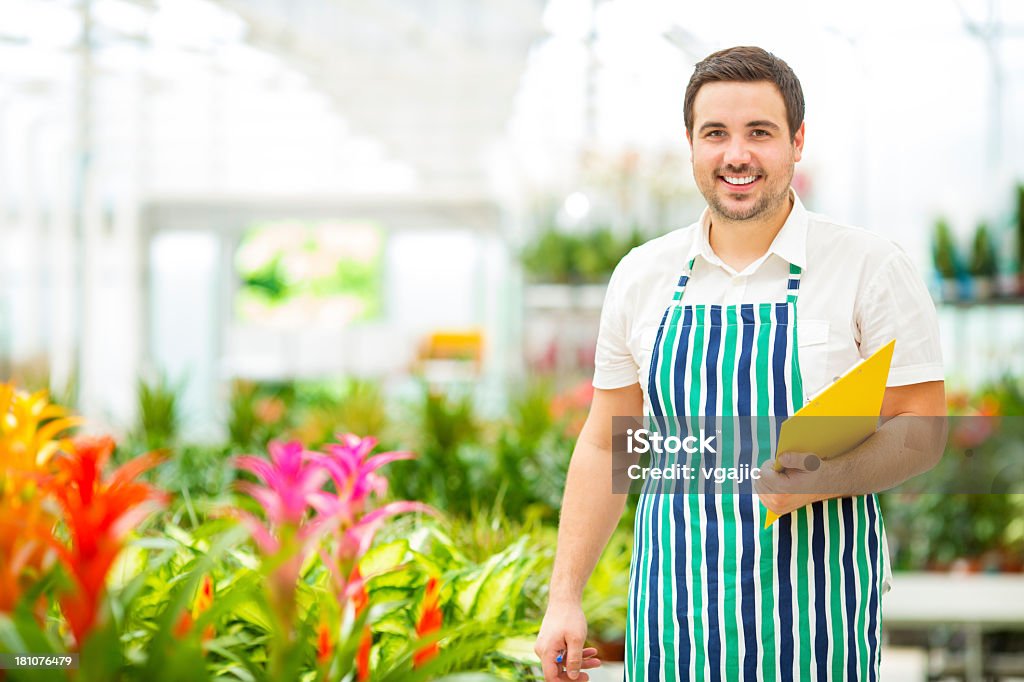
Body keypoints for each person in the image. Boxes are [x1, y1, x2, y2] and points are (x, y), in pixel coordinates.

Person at [534, 46, 946, 682]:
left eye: (760, 132)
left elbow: (923, 426)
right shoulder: (641, 275)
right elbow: (604, 445)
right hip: (672, 619)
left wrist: (826, 475)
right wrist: (564, 597)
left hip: (817, 622)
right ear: (692, 145)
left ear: (797, 141)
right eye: (715, 134)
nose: (737, 154)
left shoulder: (870, 266)